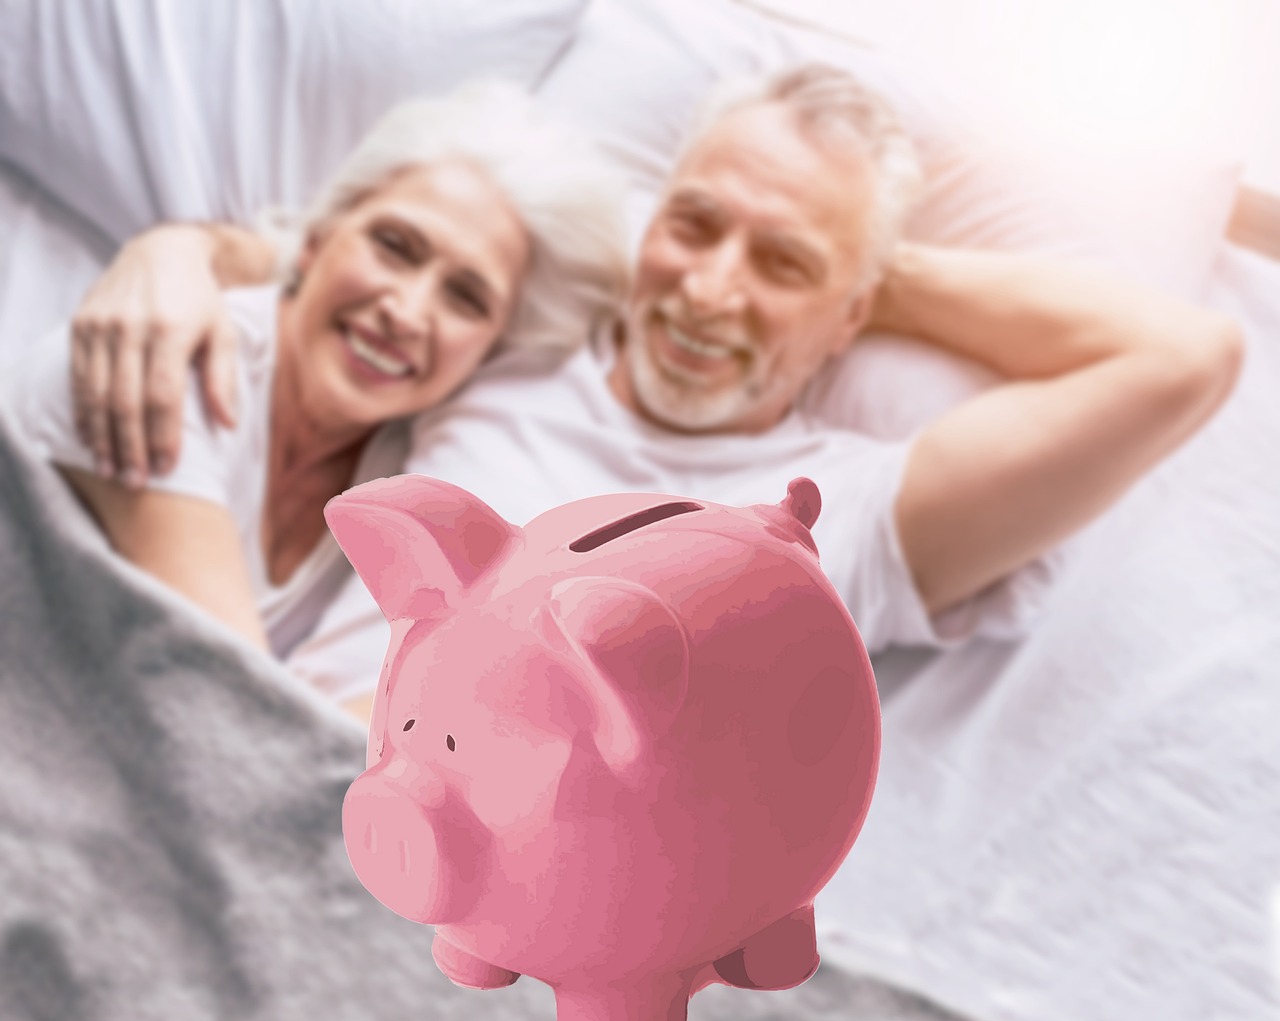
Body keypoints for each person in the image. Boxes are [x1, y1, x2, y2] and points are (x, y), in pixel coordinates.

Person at [62, 64, 1242, 720]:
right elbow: (354, 259)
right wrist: (181, 250)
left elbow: (1184, 358)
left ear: (852, 314)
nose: (709, 290)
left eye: (778, 264)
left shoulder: (838, 515)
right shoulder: (519, 335)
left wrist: (871, 272)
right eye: (694, 224)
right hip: (265, 747)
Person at [9, 83, 628, 656]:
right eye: (393, 246)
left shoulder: (398, 474)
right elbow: (232, 702)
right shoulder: (167, 359)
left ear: (488, 353)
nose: (406, 311)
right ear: (316, 239)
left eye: (465, 298)